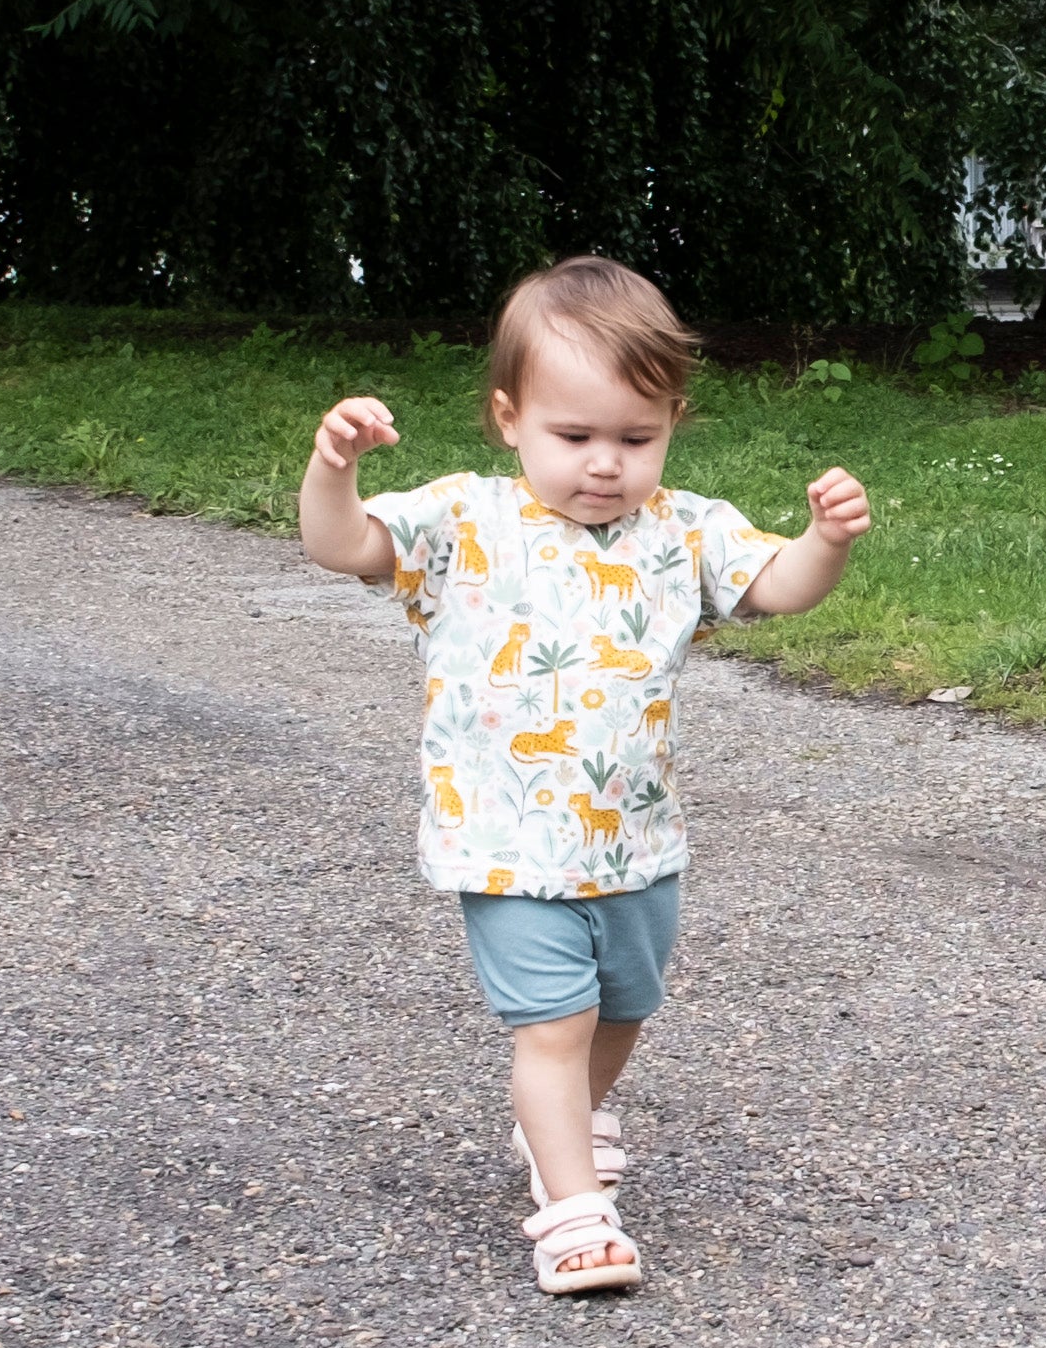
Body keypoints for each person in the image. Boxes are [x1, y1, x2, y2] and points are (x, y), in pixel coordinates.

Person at [298, 256, 870, 1294]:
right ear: (509, 418)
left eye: (634, 438)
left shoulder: (681, 528)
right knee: (553, 1024)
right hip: (508, 839)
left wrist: (824, 539)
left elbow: (777, 586)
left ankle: (564, 1121)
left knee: (625, 1006)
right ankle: (571, 1211)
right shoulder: (463, 518)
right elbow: (343, 544)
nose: (604, 464)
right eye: (573, 437)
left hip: (637, 835)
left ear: (671, 424)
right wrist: (333, 467)